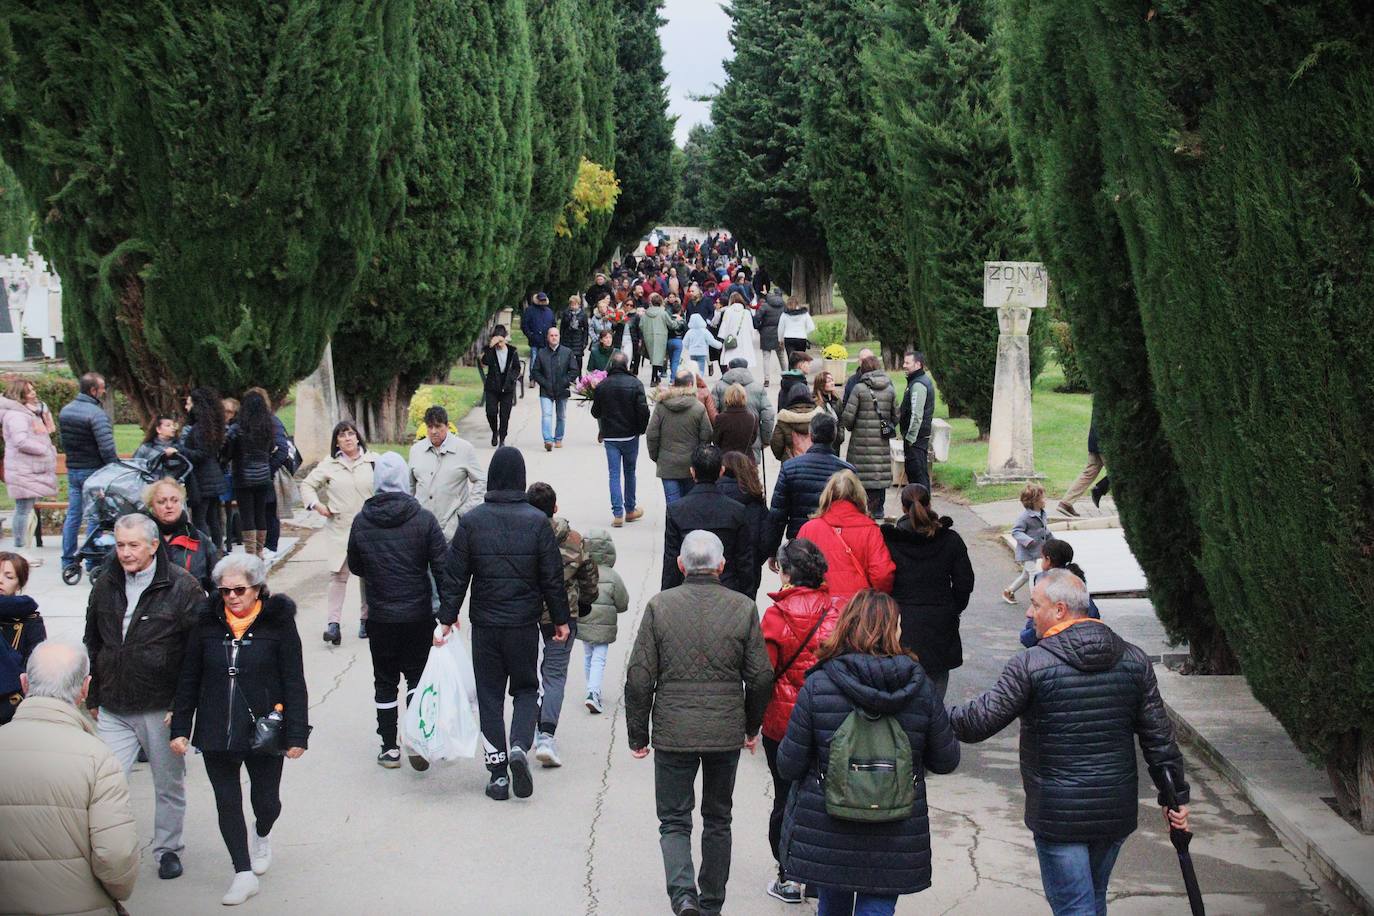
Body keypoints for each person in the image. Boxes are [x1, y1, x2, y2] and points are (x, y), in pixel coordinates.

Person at [950, 570, 1191, 915]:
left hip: (1059, 815)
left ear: (1060, 610)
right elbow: (1159, 738)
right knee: (1092, 898)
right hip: (1113, 810)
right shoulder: (1134, 659)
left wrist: (924, 709)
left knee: (1075, 908)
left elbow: (977, 722)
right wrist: (1176, 797)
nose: (1028, 613)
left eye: (1035, 604)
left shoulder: (1031, 664)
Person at [776, 591, 960, 916]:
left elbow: (789, 764)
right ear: (893, 630)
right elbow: (946, 759)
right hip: (896, 829)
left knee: (832, 906)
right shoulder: (921, 689)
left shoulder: (819, 685)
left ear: (846, 626)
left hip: (829, 829)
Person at [625, 530, 773, 916]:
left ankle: (683, 895)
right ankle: (711, 902)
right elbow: (759, 676)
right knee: (718, 817)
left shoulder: (660, 607)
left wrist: (638, 734)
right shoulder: (742, 608)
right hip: (725, 730)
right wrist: (751, 727)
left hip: (674, 730)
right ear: (722, 566)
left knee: (674, 819)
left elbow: (640, 676)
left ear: (680, 564)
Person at [171, 553, 308, 906]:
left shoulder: (278, 624)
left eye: (239, 589)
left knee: (267, 801)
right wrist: (182, 727)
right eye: (224, 590)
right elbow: (189, 677)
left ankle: (262, 832)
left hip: (264, 729)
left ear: (258, 589)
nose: (231, 596)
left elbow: (294, 680)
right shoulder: (206, 623)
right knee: (227, 801)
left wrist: (297, 735)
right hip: (217, 727)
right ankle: (242, 872)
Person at [440, 447, 570, 801]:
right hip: (523, 625)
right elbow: (552, 577)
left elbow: (456, 576)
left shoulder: (472, 521)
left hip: (485, 624)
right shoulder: (537, 522)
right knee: (527, 689)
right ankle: (518, 746)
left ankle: (498, 773)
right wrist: (560, 620)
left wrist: (447, 619)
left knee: (490, 695)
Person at [83, 512, 204, 882]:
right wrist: (95, 687)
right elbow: (94, 637)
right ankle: (109, 850)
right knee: (105, 782)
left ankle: (168, 849)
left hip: (160, 705)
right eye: (120, 545)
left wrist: (181, 707)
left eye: (133, 545)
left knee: (168, 784)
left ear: (154, 546)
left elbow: (196, 651)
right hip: (114, 705)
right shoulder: (106, 583)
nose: (125, 552)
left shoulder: (183, 587)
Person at [0, 641, 140, 914]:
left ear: (24, 683)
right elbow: (116, 854)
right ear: (85, 689)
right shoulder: (98, 758)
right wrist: (117, 892)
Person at [347, 451, 452, 769]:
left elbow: (355, 565)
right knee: (417, 678)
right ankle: (416, 736)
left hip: (381, 615)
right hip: (418, 613)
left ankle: (389, 747)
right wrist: (448, 611)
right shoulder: (423, 518)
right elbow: (442, 565)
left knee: (384, 680)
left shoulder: (362, 521)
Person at [758, 538, 842, 903]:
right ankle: (821, 877)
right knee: (825, 798)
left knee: (785, 796)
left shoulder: (776, 616)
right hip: (830, 720)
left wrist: (751, 721)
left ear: (787, 572)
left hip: (783, 722)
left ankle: (788, 876)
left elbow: (764, 674)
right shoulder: (839, 611)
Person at [526, 482, 598, 768]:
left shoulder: (522, 537)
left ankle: (529, 720)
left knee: (527, 673)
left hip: (526, 613)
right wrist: (586, 602)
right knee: (554, 675)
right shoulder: (574, 539)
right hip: (563, 615)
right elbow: (589, 577)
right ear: (555, 508)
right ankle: (546, 735)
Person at [881, 484, 973, 701]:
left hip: (900, 622)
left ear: (904, 509)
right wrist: (952, 607)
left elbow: (880, 576)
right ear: (930, 504)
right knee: (935, 697)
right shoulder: (950, 539)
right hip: (939, 623)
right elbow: (964, 582)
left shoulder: (890, 541)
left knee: (900, 695)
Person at [300, 421, 380, 644]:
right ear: (336, 441)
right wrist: (317, 506)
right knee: (338, 575)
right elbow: (306, 486)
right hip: (340, 528)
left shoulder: (373, 461)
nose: (347, 439)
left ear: (358, 437)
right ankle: (333, 624)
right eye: (342, 435)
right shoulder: (329, 465)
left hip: (368, 527)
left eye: (351, 434)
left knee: (368, 576)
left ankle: (366, 619)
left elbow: (384, 488)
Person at [663, 446, 755, 597]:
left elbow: (671, 563)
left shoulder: (677, 510)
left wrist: (666, 599)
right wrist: (748, 598)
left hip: (687, 591)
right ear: (721, 471)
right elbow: (744, 562)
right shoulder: (736, 511)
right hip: (727, 589)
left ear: (692, 472)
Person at [764, 414, 855, 567]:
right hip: (835, 544)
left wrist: (772, 551)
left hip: (799, 543)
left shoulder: (790, 468)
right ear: (833, 436)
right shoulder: (847, 472)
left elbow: (778, 515)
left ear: (811, 435)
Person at [797, 470, 896, 602]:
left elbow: (797, 572)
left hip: (820, 609)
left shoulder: (808, 529)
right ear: (859, 496)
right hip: (858, 608)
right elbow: (882, 574)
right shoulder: (870, 530)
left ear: (827, 495)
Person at [59, 372, 118, 576]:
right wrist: (114, 467)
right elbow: (107, 447)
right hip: (93, 471)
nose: (103, 391)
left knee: (73, 515)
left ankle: (67, 560)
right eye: (102, 388)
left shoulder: (66, 410)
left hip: (74, 468)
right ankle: (91, 560)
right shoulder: (96, 414)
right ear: (93, 390)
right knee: (96, 515)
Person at [408, 405, 486, 545]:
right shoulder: (416, 451)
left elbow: (481, 480)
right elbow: (409, 488)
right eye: (430, 427)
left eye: (438, 427)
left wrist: (464, 511)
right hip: (421, 530)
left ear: (447, 426)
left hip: (452, 531)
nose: (433, 431)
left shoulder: (464, 449)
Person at [591, 351, 650, 526]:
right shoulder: (635, 384)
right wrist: (640, 429)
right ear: (627, 364)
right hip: (630, 435)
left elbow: (596, 412)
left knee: (614, 474)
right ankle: (630, 510)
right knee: (630, 472)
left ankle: (617, 513)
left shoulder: (603, 386)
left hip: (611, 436)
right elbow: (643, 411)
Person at [222, 391, 283, 558]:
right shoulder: (267, 428)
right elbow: (271, 449)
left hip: (243, 477)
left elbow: (228, 452)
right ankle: (259, 550)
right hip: (264, 476)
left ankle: (250, 553)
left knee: (247, 515)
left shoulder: (237, 428)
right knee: (260, 513)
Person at [1, 378, 58, 552]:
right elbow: (20, 441)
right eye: (29, 391)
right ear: (20, 395)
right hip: (22, 470)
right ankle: (20, 549)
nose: (34, 393)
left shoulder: (29, 413)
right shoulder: (17, 415)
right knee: (22, 510)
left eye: (33, 389)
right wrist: (44, 450)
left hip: (28, 469)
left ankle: (24, 549)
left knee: (25, 509)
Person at [578, 528, 628, 715]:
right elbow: (622, 602)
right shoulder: (613, 577)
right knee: (599, 657)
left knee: (589, 656)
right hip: (604, 625)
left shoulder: (582, 572)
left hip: (584, 620)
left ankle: (592, 687)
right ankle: (593, 692)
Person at [841, 355, 898, 517]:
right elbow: (896, 417)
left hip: (859, 451)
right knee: (878, 496)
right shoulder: (890, 389)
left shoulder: (859, 389)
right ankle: (878, 519)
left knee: (858, 499)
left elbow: (848, 419)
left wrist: (855, 427)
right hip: (881, 451)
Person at [144, 477, 222, 594]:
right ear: (151, 506)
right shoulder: (141, 538)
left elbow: (217, 582)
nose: (169, 506)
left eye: (174, 500)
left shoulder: (200, 540)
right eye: (161, 502)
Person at [648, 370, 714, 505]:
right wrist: (699, 458)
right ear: (690, 384)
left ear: (674, 384)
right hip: (691, 464)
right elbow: (706, 435)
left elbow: (652, 434)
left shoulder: (661, 406)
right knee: (689, 504)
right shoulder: (698, 408)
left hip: (667, 464)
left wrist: (657, 456)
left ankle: (673, 525)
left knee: (672, 504)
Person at [1019, 539, 1101, 648]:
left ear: (1048, 560)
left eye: (1042, 558)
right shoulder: (1080, 588)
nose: (1029, 613)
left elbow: (1029, 637)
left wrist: (1025, 636)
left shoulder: (1043, 581)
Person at [176, 387, 229, 549]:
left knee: (200, 519)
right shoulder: (211, 426)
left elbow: (200, 454)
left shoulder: (199, 429)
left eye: (189, 404)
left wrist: (179, 450)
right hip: (213, 477)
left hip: (202, 479)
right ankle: (218, 549)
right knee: (213, 518)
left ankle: (205, 553)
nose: (186, 407)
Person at [717, 451, 769, 599]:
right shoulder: (756, 504)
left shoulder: (713, 498)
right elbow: (767, 541)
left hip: (717, 573)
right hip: (749, 574)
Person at [0, 551, 43, 725]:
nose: (0, 580)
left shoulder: (30, 619)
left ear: (19, 584)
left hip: (12, 708)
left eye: (9, 576)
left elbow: (35, 666)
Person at [711, 358, 775, 461]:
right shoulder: (758, 388)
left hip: (725, 446)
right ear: (747, 368)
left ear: (729, 368)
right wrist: (765, 439)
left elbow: (712, 413)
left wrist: (715, 438)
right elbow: (768, 415)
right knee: (749, 474)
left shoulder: (719, 387)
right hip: (751, 445)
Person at [531, 325, 579, 451]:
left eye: (556, 335)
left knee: (561, 415)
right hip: (546, 390)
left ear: (559, 337)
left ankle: (558, 438)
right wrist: (544, 383)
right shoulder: (541, 353)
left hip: (562, 389)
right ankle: (547, 440)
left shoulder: (567, 352)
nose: (554, 337)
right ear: (547, 337)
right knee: (546, 415)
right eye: (551, 335)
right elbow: (535, 372)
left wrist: (564, 381)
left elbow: (574, 371)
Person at [1002, 483, 1050, 604]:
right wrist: (1028, 540)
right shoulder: (1025, 517)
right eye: (1042, 498)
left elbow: (1045, 531)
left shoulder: (1042, 514)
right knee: (1034, 573)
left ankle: (1009, 591)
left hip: (1036, 551)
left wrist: (1054, 541)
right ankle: (1036, 599)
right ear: (1034, 501)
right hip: (1027, 552)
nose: (1045, 500)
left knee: (1025, 575)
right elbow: (1016, 531)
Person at [1058, 403, 1104, 517]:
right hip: (1105, 441)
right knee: (1120, 474)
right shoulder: (1110, 391)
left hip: (1095, 438)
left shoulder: (1100, 391)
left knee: (1089, 472)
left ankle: (1066, 503)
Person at [899, 351, 936, 491]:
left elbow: (916, 415)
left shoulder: (918, 385)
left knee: (918, 477)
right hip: (917, 439)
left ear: (918, 364)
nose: (904, 365)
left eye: (907, 363)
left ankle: (922, 510)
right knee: (918, 476)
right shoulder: (916, 381)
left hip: (916, 440)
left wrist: (910, 439)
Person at [480, 325, 522, 446]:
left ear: (505, 338)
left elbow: (516, 367)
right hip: (493, 386)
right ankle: (494, 431)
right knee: (491, 412)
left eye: (501, 341)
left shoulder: (512, 351)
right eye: (497, 341)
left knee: (504, 415)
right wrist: (490, 347)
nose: (499, 344)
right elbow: (484, 361)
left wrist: (512, 379)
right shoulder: (491, 350)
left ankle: (502, 438)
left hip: (507, 387)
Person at [771, 386, 822, 462]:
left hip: (791, 463)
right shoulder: (819, 416)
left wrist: (783, 457)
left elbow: (777, 444)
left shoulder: (784, 418)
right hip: (815, 462)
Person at [640, 293, 680, 387]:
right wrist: (678, 322)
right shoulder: (663, 313)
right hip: (661, 336)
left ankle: (655, 377)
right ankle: (655, 377)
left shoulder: (646, 313)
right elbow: (671, 324)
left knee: (654, 357)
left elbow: (641, 325)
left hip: (648, 336)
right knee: (659, 357)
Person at [712, 383, 760, 456]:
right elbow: (753, 440)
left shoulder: (720, 418)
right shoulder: (753, 417)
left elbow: (716, 442)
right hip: (746, 460)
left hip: (726, 460)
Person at [714, 292, 756, 370]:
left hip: (731, 340)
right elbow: (751, 328)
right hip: (744, 341)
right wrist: (752, 339)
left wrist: (721, 338)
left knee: (731, 362)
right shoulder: (746, 312)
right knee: (744, 362)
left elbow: (724, 326)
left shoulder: (728, 311)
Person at [521, 291, 556, 382]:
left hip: (546, 340)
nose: (542, 302)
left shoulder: (549, 311)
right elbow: (524, 325)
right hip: (535, 339)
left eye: (544, 300)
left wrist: (552, 336)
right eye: (541, 300)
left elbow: (553, 324)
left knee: (547, 360)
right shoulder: (530, 310)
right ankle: (532, 378)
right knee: (534, 359)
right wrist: (530, 335)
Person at [754, 289, 786, 386]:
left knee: (766, 357)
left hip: (766, 333)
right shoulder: (783, 306)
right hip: (779, 333)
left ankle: (767, 379)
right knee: (781, 357)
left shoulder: (765, 306)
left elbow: (756, 318)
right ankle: (786, 376)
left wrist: (759, 328)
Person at [813, 370, 846, 453]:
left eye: (832, 380)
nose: (832, 383)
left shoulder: (837, 400)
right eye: (828, 381)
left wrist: (840, 436)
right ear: (821, 385)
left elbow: (842, 420)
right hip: (821, 445)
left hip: (836, 443)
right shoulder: (815, 403)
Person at [683, 312, 722, 377]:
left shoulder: (690, 332)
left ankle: (694, 380)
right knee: (700, 369)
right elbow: (712, 341)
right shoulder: (704, 331)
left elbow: (685, 343)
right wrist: (720, 345)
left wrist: (689, 348)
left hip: (692, 352)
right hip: (702, 352)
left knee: (693, 368)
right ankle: (699, 380)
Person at [777, 296, 816, 361]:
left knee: (791, 359)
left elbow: (780, 328)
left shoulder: (785, 314)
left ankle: (791, 370)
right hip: (801, 338)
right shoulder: (804, 313)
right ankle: (800, 370)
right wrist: (804, 332)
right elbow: (811, 327)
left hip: (789, 338)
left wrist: (780, 339)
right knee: (801, 359)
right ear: (798, 303)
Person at [560, 294, 591, 373]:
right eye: (572, 304)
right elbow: (562, 327)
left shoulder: (583, 314)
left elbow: (586, 329)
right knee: (567, 358)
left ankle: (579, 375)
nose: (573, 306)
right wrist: (561, 339)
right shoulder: (566, 313)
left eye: (575, 304)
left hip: (578, 339)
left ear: (579, 304)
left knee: (578, 359)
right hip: (567, 338)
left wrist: (585, 342)